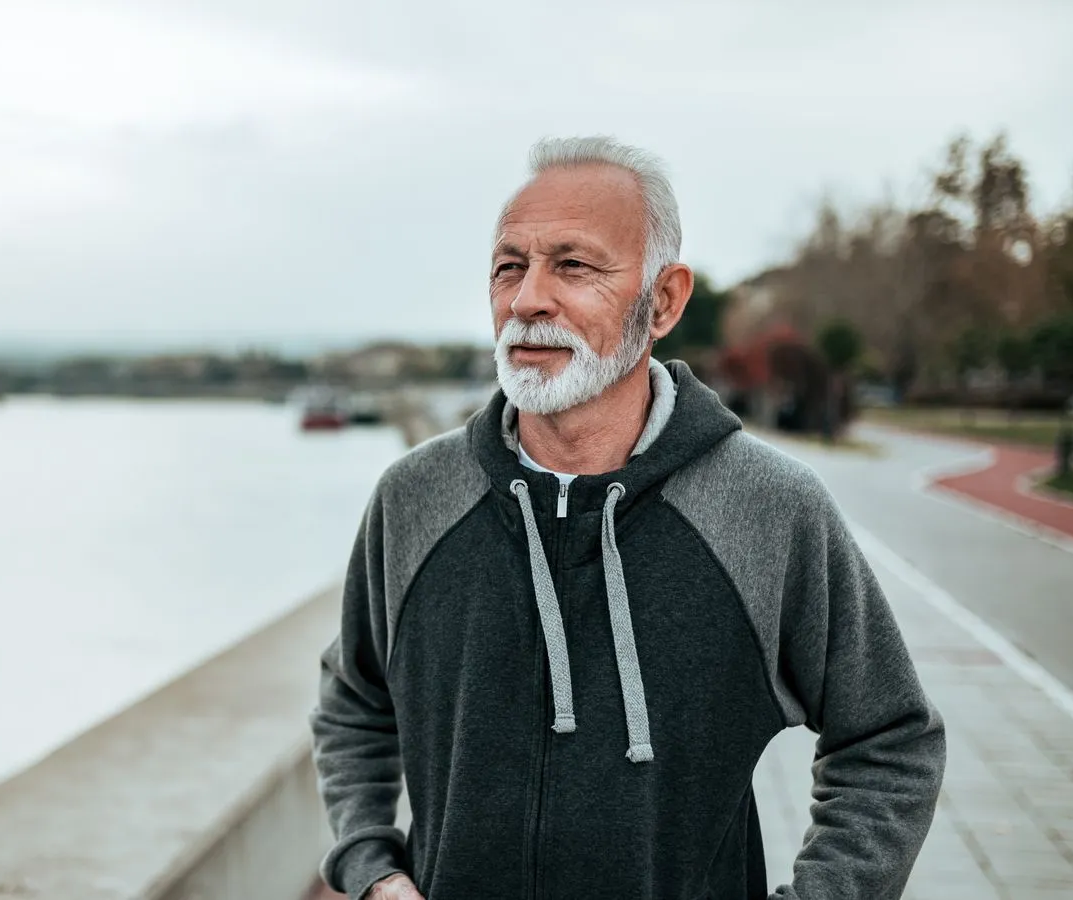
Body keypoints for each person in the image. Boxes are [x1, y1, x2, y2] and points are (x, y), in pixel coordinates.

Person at [308, 136, 945, 900]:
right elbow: (354, 700)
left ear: (665, 301)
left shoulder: (768, 508)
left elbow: (891, 737)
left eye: (572, 266)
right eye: (509, 266)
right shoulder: (415, 498)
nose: (527, 299)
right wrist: (373, 868)